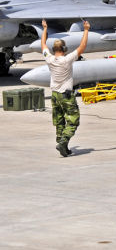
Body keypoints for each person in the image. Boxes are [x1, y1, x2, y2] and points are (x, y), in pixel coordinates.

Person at [41, 18, 90, 157]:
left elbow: (43, 44)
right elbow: (82, 46)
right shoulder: (67, 59)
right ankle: (63, 142)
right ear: (64, 49)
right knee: (74, 120)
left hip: (55, 94)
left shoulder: (49, 58)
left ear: (54, 49)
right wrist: (86, 30)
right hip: (66, 95)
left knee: (59, 120)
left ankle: (62, 146)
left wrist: (45, 28)